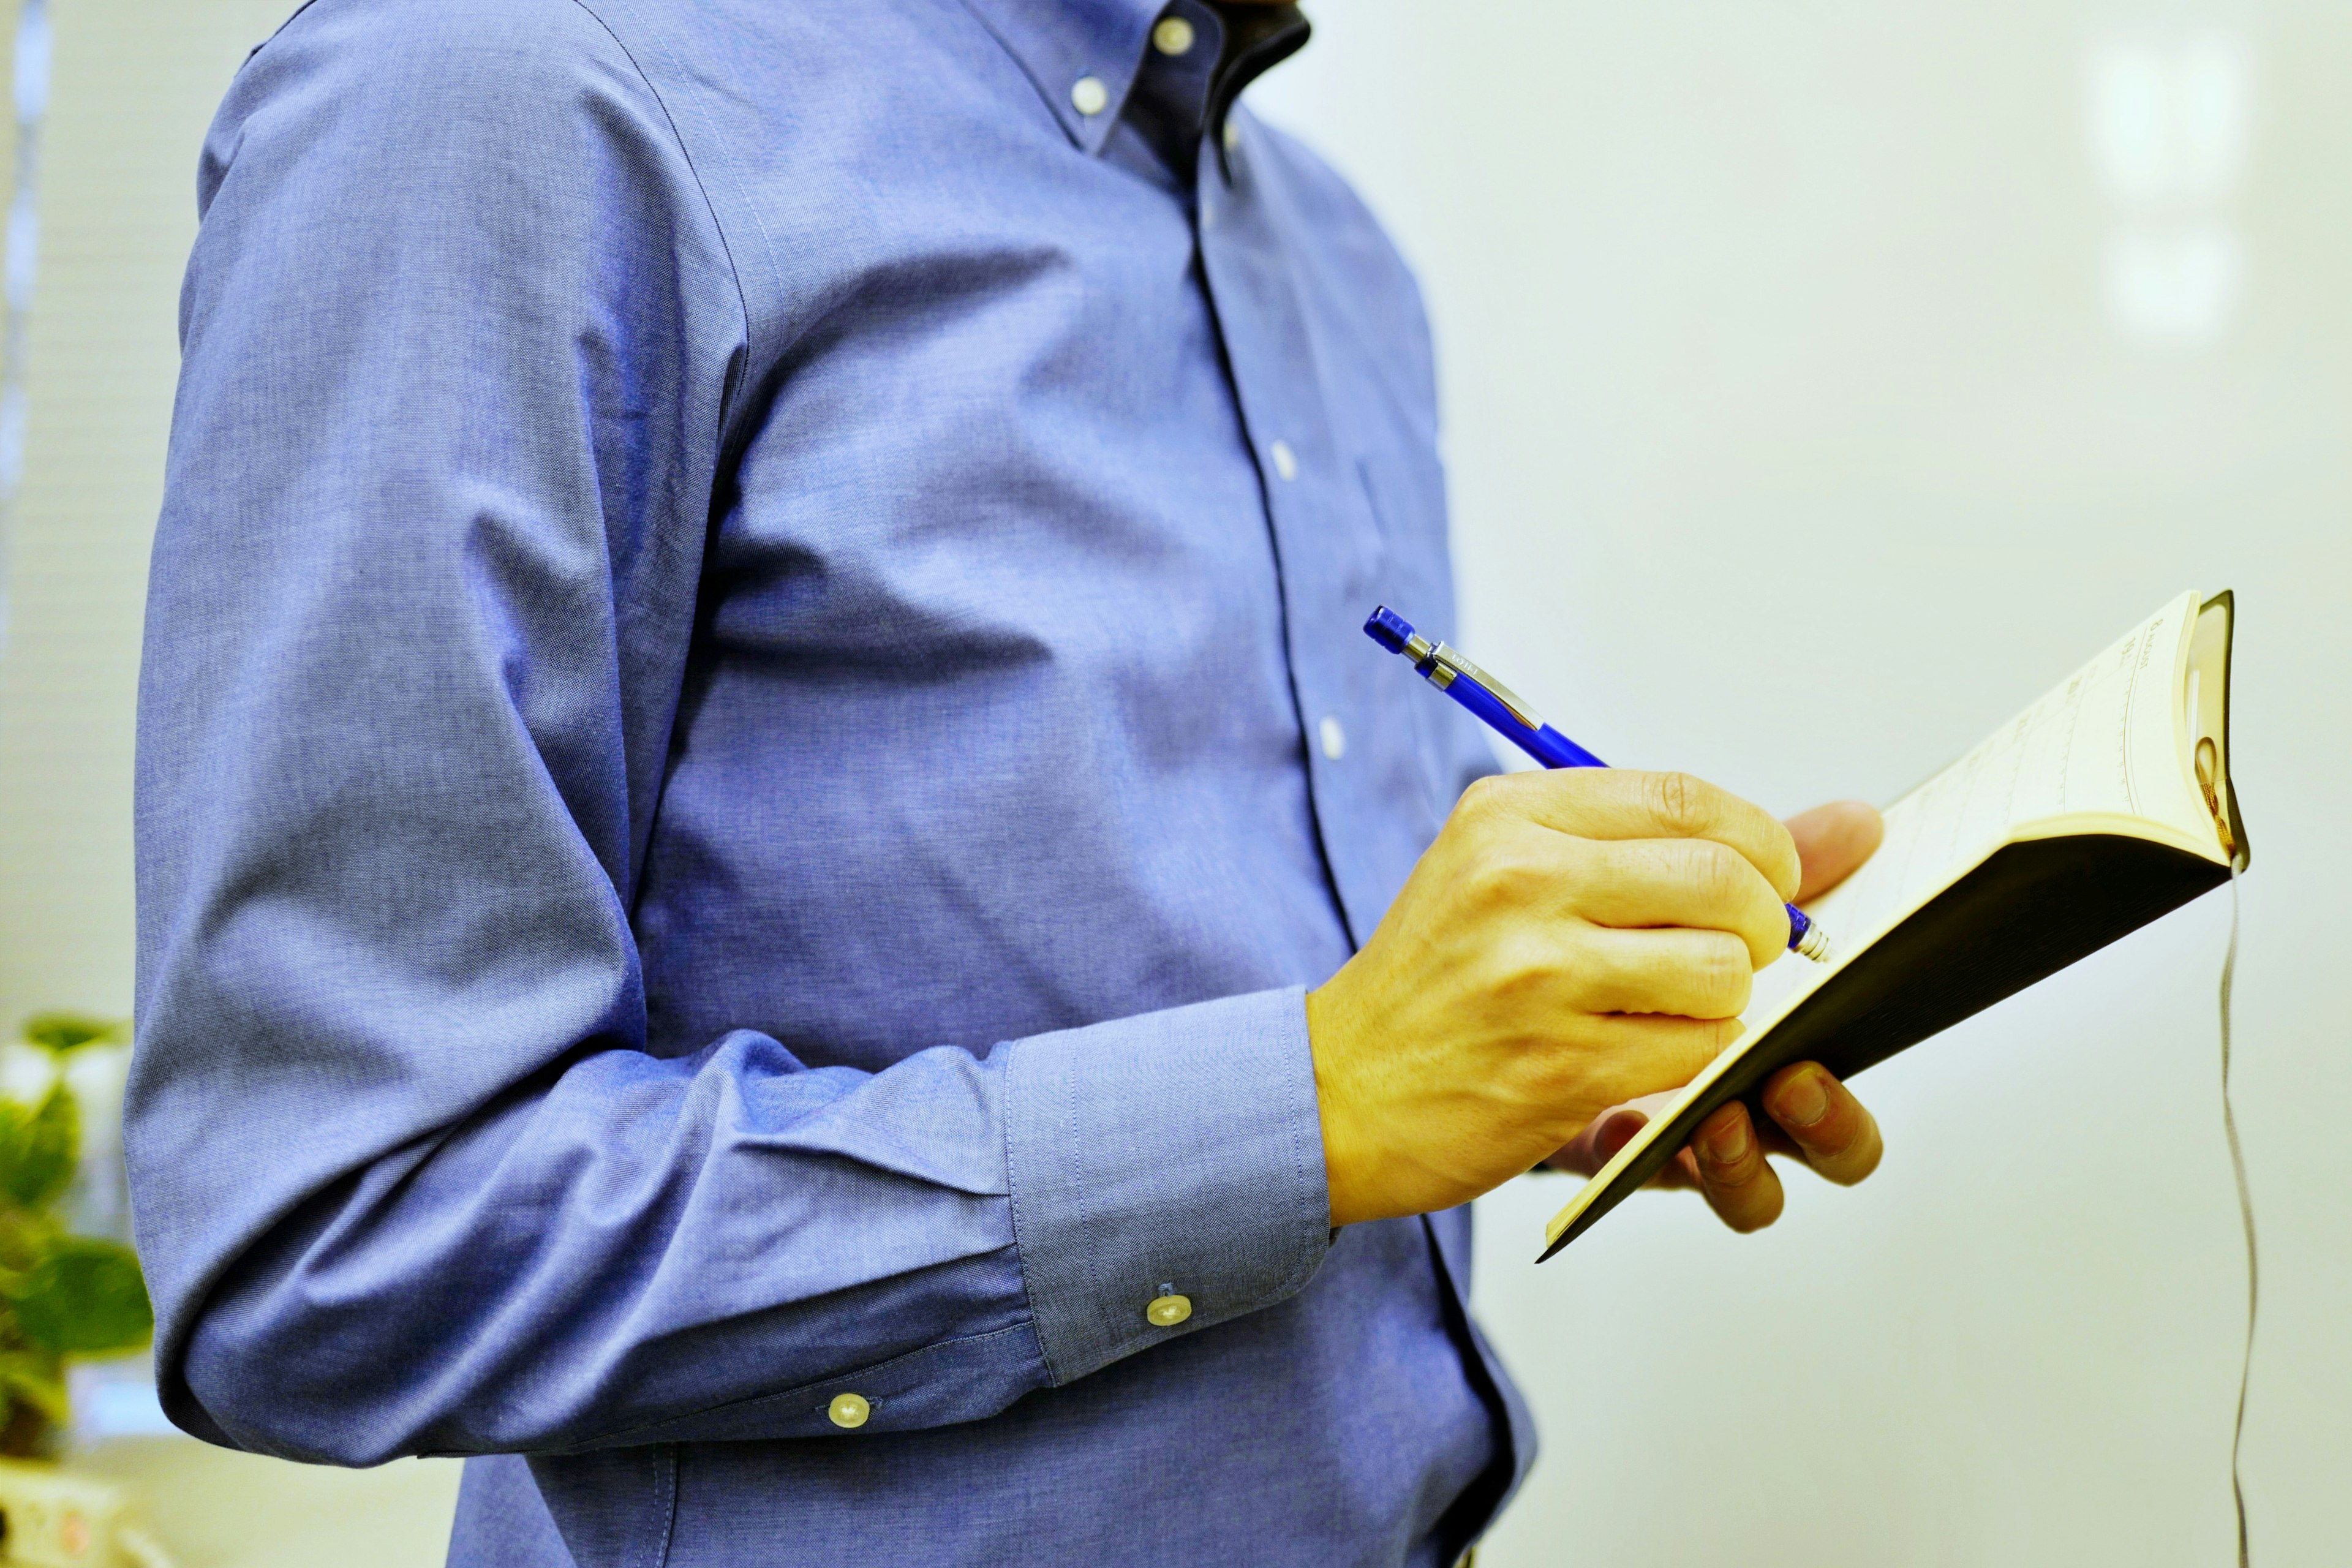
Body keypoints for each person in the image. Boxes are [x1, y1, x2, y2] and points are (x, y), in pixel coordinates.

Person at [127, 1, 1888, 1564]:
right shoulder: (508, 86)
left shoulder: (1332, 261)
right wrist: (1312, 1106)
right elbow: (327, 1246)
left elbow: (1299, 1028)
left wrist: (1537, 1055)